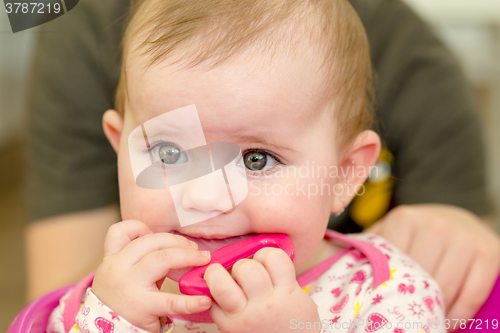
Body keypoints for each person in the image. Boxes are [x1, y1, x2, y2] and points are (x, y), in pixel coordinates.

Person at [24, 0, 500, 324]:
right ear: (119, 146)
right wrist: (111, 320)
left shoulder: (391, 295)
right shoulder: (107, 297)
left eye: (256, 158)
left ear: (345, 173)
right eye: (169, 153)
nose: (204, 196)